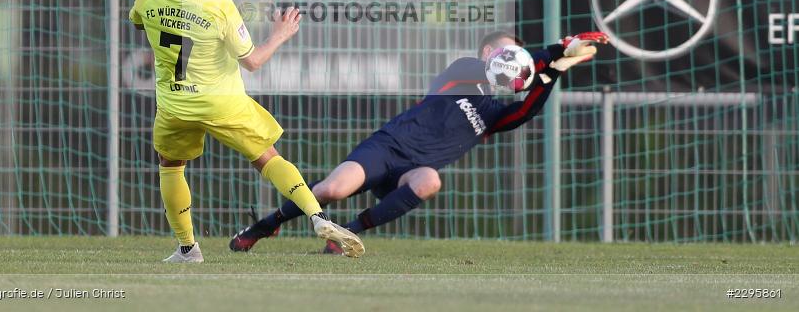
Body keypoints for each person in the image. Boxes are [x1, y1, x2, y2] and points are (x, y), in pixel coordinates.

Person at [230, 29, 608, 254]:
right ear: (487, 53)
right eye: (505, 52)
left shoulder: (493, 114)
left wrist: (553, 70)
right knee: (332, 188)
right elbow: (504, 69)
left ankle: (346, 235)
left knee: (430, 181)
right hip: (387, 147)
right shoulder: (463, 71)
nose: (510, 58)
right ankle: (266, 225)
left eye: (517, 55)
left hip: (410, 171)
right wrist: (557, 48)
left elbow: (524, 112)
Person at [129, 0, 364, 261]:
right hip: (223, 103)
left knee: (170, 165)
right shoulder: (221, 6)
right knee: (268, 158)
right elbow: (252, 61)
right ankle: (317, 216)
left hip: (176, 105)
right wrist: (281, 33)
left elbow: (138, 21)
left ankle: (187, 248)